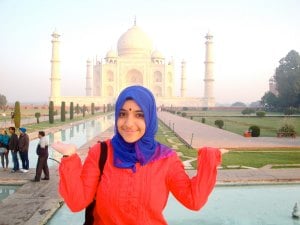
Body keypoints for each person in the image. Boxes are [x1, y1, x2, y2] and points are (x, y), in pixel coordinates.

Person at [52, 85, 227, 225]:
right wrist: (69, 159)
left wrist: (209, 160)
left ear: (150, 117)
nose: (129, 123)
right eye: (122, 114)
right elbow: (77, 203)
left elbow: (193, 201)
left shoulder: (166, 159)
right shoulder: (100, 153)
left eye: (139, 115)